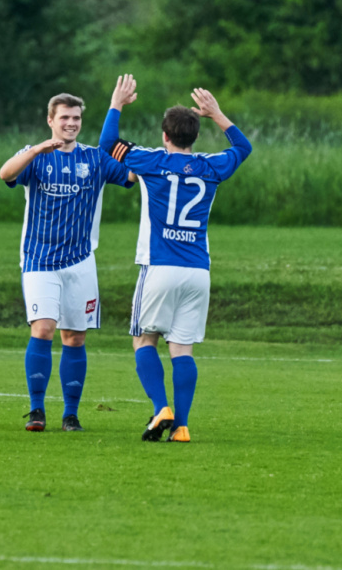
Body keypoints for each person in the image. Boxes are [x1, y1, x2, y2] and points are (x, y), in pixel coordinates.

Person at [99, 75, 252, 443]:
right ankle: (181, 426)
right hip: (197, 271)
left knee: (143, 340)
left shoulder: (152, 160)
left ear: (165, 136)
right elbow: (243, 147)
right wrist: (217, 114)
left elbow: (107, 145)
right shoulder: (211, 167)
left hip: (160, 265)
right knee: (182, 349)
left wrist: (117, 103)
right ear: (195, 136)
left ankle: (160, 407)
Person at [0, 92, 134, 432]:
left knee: (74, 337)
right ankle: (37, 410)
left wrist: (122, 124)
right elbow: (5, 174)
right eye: (64, 118)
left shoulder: (94, 158)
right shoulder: (35, 155)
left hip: (80, 261)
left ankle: (70, 414)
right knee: (43, 328)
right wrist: (35, 151)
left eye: (76, 118)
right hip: (39, 259)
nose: (71, 123)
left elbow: (131, 176)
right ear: (50, 120)